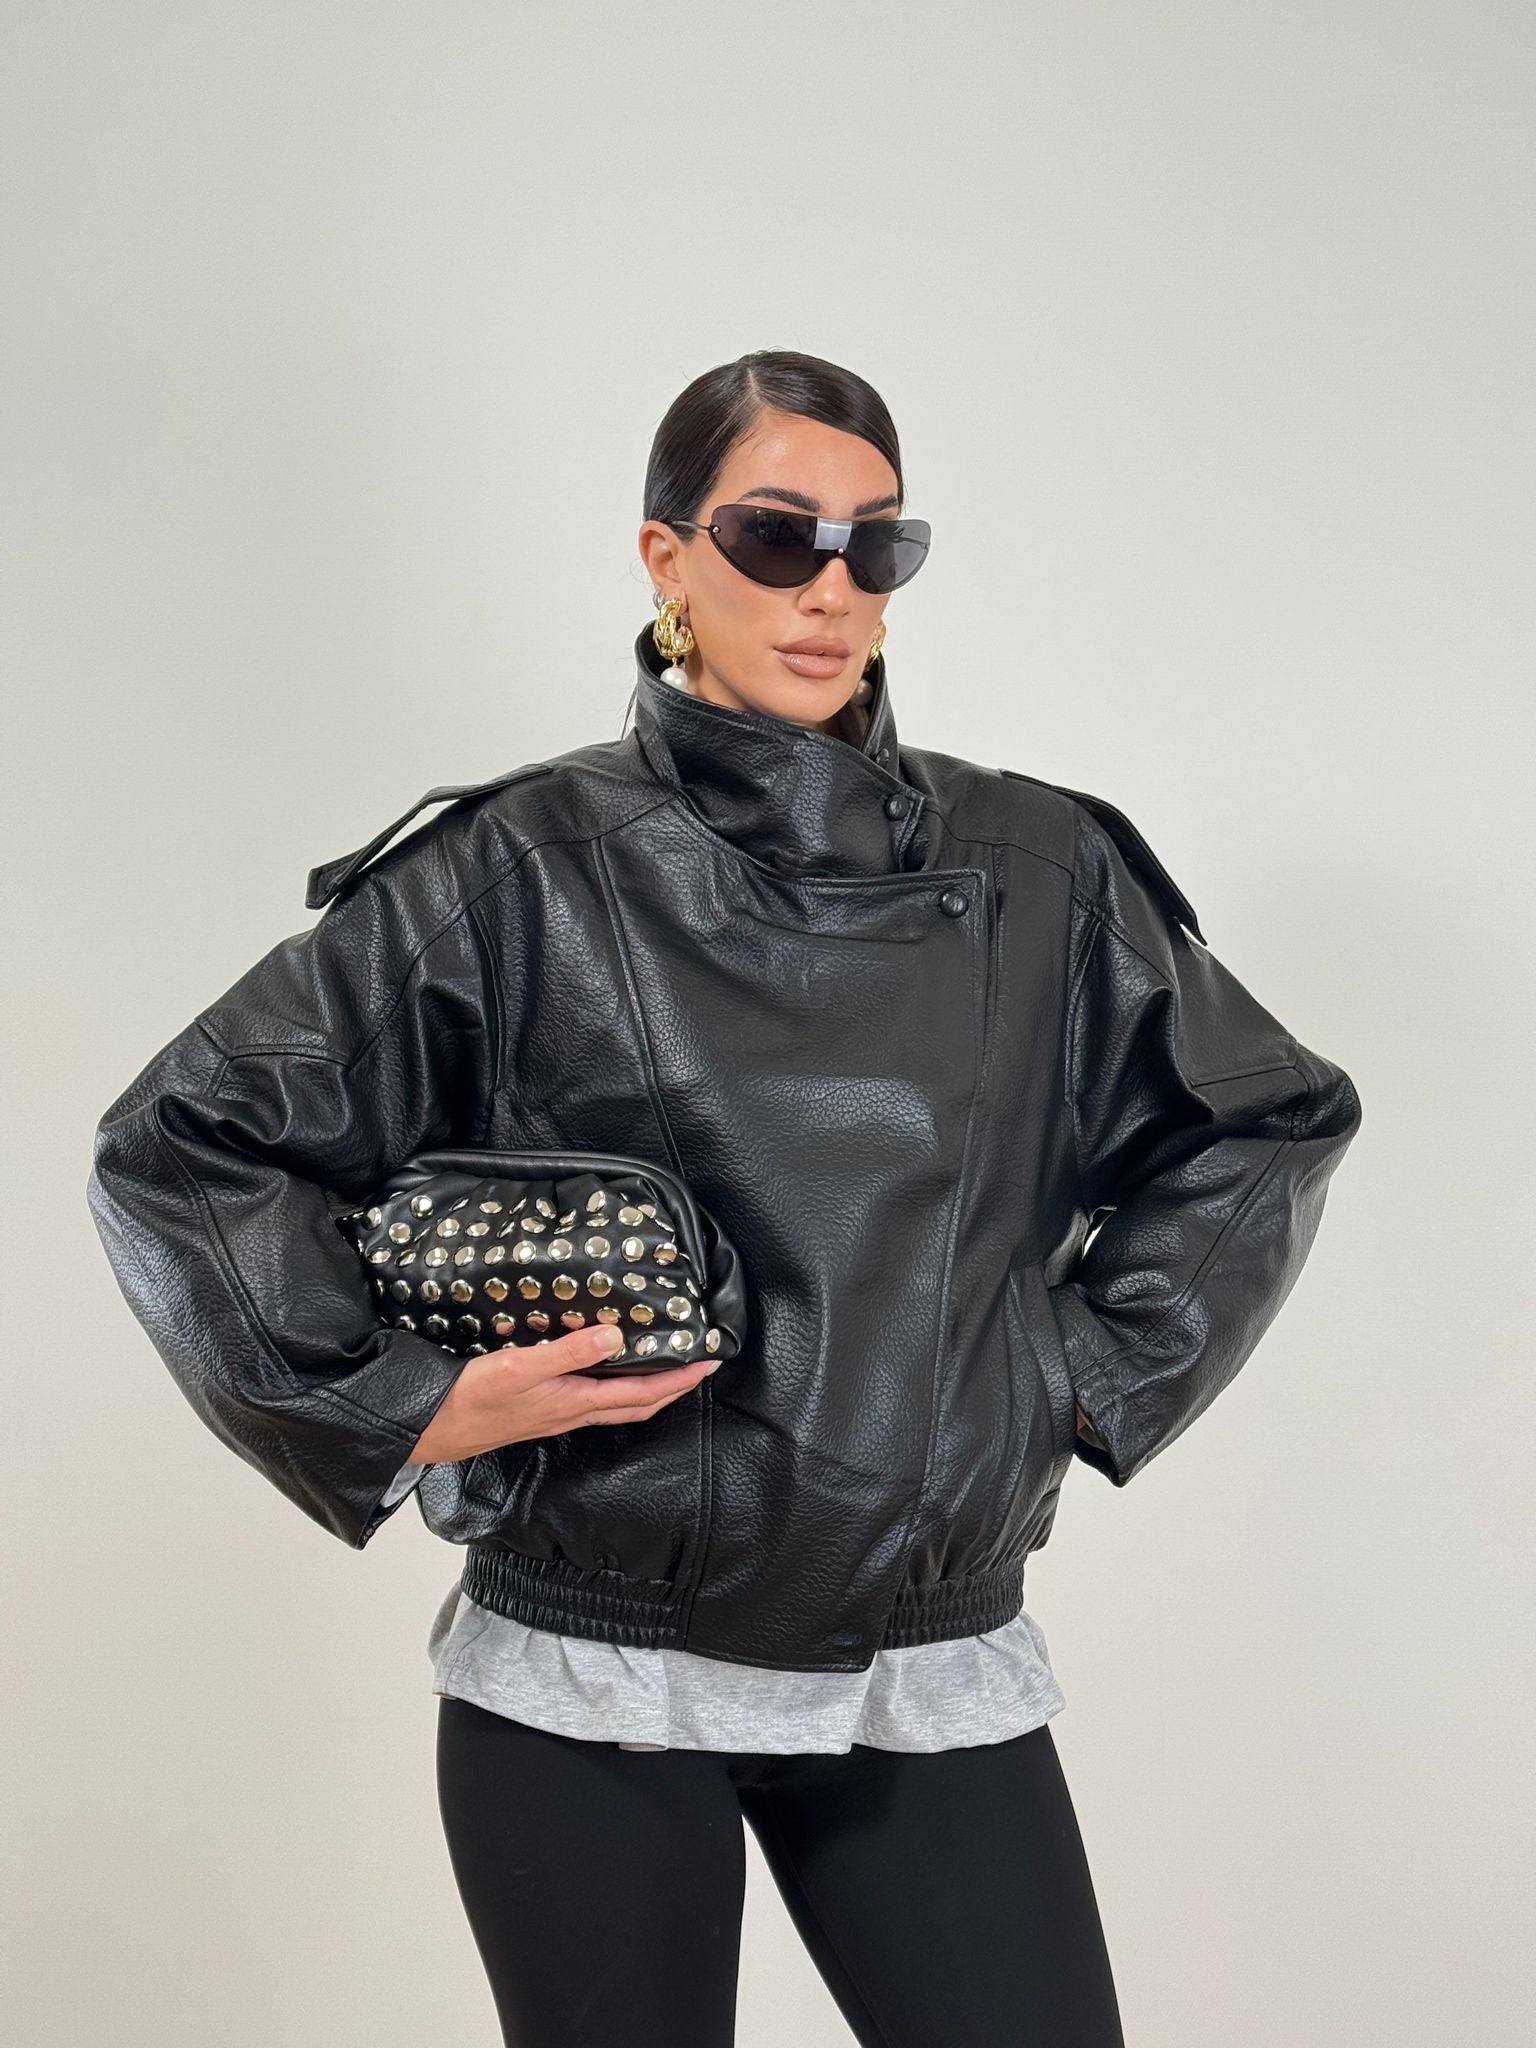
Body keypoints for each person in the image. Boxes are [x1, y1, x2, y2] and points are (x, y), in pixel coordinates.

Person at [88, 348, 1362, 2047]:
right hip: (592, 1669)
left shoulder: (1038, 866)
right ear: (667, 556)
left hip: (922, 1660)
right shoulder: (518, 868)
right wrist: (401, 1404)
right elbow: (184, 1143)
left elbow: (1266, 1116)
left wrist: (1070, 1373)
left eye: (877, 546)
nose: (832, 590)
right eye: (776, 536)